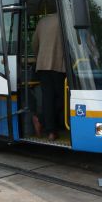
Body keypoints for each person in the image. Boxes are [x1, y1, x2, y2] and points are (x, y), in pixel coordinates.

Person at [32, 13, 66, 141]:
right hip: (58, 65)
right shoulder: (64, 18)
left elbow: (34, 44)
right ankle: (43, 122)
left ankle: (50, 131)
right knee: (64, 99)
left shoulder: (42, 21)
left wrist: (39, 57)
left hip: (42, 65)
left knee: (48, 99)